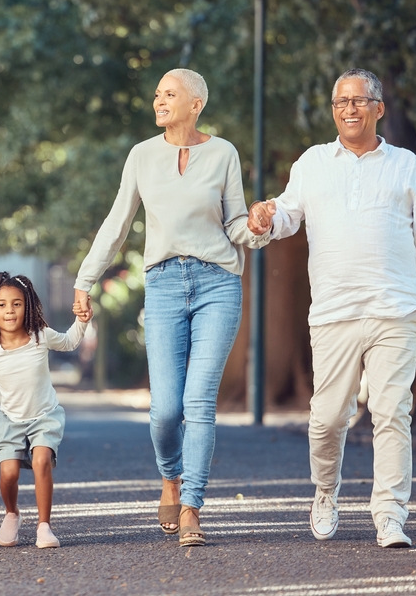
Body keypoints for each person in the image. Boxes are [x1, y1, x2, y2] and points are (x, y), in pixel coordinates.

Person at [248, 68, 416, 548]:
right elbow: (286, 216)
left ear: (379, 108)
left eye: (359, 100)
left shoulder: (406, 167)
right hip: (333, 312)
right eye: (340, 102)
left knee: (392, 410)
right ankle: (325, 492)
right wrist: (263, 218)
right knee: (328, 418)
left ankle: (390, 514)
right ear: (333, 110)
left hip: (394, 309)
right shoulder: (313, 163)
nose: (349, 109)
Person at [73, 68, 268, 546]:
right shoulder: (141, 156)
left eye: (170, 94)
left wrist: (260, 227)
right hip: (162, 284)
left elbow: (237, 225)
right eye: (158, 93)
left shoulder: (223, 153)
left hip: (217, 283)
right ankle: (170, 476)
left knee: (198, 402)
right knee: (164, 410)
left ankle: (192, 508)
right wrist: (85, 279)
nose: (159, 100)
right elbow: (118, 223)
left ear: (196, 103)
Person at [0, 271, 90, 549]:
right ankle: (12, 513)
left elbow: (69, 341)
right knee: (9, 473)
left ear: (28, 307)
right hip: (10, 420)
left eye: (17, 303)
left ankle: (44, 526)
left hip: (44, 416)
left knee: (41, 461)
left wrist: (82, 320)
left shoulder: (40, 336)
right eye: (2, 305)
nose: (10, 310)